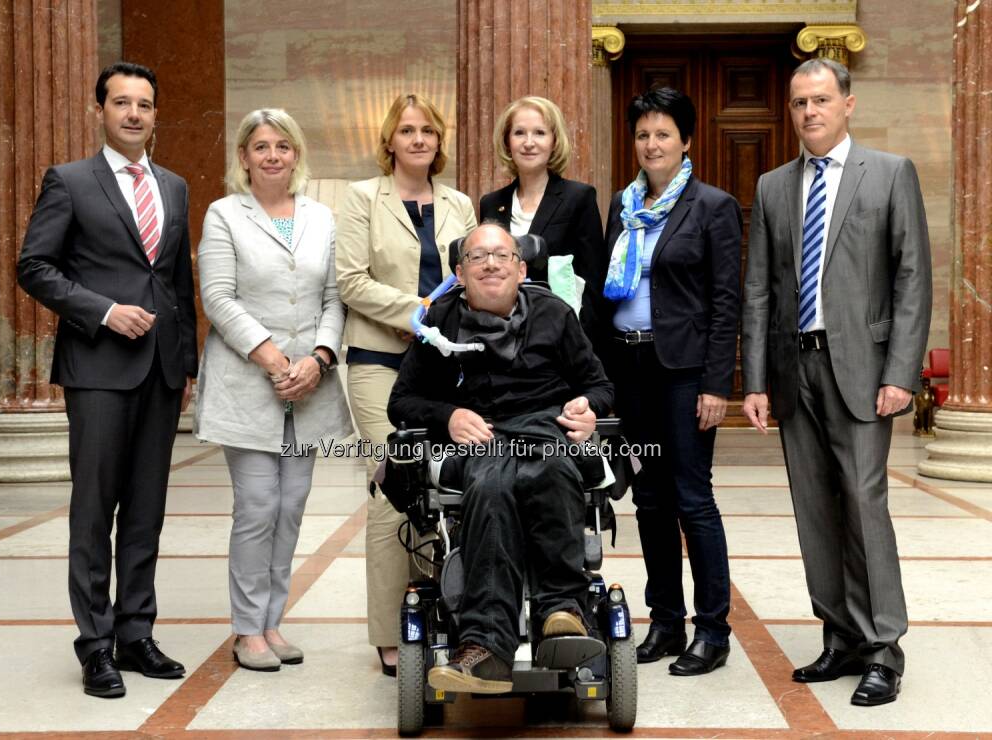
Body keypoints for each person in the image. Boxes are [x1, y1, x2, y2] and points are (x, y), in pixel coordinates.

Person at [742, 58, 932, 706]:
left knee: (864, 503)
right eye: (799, 102)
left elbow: (911, 277)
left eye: (821, 100)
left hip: (864, 369)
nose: (809, 112)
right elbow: (760, 290)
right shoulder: (772, 187)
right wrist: (757, 378)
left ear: (847, 104)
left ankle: (883, 648)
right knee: (816, 510)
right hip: (798, 371)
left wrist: (901, 373)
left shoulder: (889, 173)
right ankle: (839, 636)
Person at [17, 62, 197, 698]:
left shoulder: (173, 186)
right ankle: (94, 646)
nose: (133, 114)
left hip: (160, 372)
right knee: (94, 512)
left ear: (154, 114)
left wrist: (186, 364)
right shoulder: (69, 181)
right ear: (101, 111)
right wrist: (102, 310)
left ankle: (135, 633)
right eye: (121, 103)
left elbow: (177, 282)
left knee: (147, 511)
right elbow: (34, 266)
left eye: (144, 104)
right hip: (97, 368)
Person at [388, 223, 614, 694]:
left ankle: (555, 618)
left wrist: (588, 409)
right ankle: (496, 642)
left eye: (501, 255)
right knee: (491, 484)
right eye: (477, 257)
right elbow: (402, 403)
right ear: (459, 272)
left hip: (544, 428)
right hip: (481, 435)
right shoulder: (440, 322)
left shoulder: (554, 313)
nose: (490, 263)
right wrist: (447, 415)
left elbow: (600, 385)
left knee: (550, 467)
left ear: (521, 267)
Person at [194, 109, 353, 671]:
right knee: (257, 507)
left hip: (309, 386)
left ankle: (272, 622)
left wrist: (318, 359)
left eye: (283, 146)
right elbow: (217, 297)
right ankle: (246, 629)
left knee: (290, 507)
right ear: (243, 157)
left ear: (296, 154)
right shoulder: (223, 215)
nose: (272, 156)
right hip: (249, 383)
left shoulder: (320, 217)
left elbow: (336, 297)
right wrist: (272, 359)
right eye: (260, 146)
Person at [601, 87, 742, 676]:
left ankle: (712, 630)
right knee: (649, 499)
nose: (651, 144)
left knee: (691, 498)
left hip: (685, 375)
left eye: (662, 134)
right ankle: (664, 621)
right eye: (642, 135)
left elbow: (725, 300)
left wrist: (717, 384)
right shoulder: (622, 204)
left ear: (685, 141)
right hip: (629, 370)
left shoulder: (712, 205)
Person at [335, 93, 477, 676]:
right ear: (389, 140)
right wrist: (417, 309)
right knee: (395, 488)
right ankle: (391, 631)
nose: (418, 139)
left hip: (443, 370)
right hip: (379, 360)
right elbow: (350, 280)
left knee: (441, 491)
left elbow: (471, 273)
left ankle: (432, 617)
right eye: (407, 131)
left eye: (428, 131)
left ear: (440, 142)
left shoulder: (459, 203)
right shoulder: (362, 198)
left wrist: (443, 321)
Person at [479, 96, 603, 332]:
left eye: (539, 133)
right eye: (519, 133)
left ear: (554, 141)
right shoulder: (491, 204)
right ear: (507, 142)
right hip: (501, 338)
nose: (528, 142)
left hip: (559, 337)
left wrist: (578, 344)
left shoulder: (579, 198)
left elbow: (592, 283)